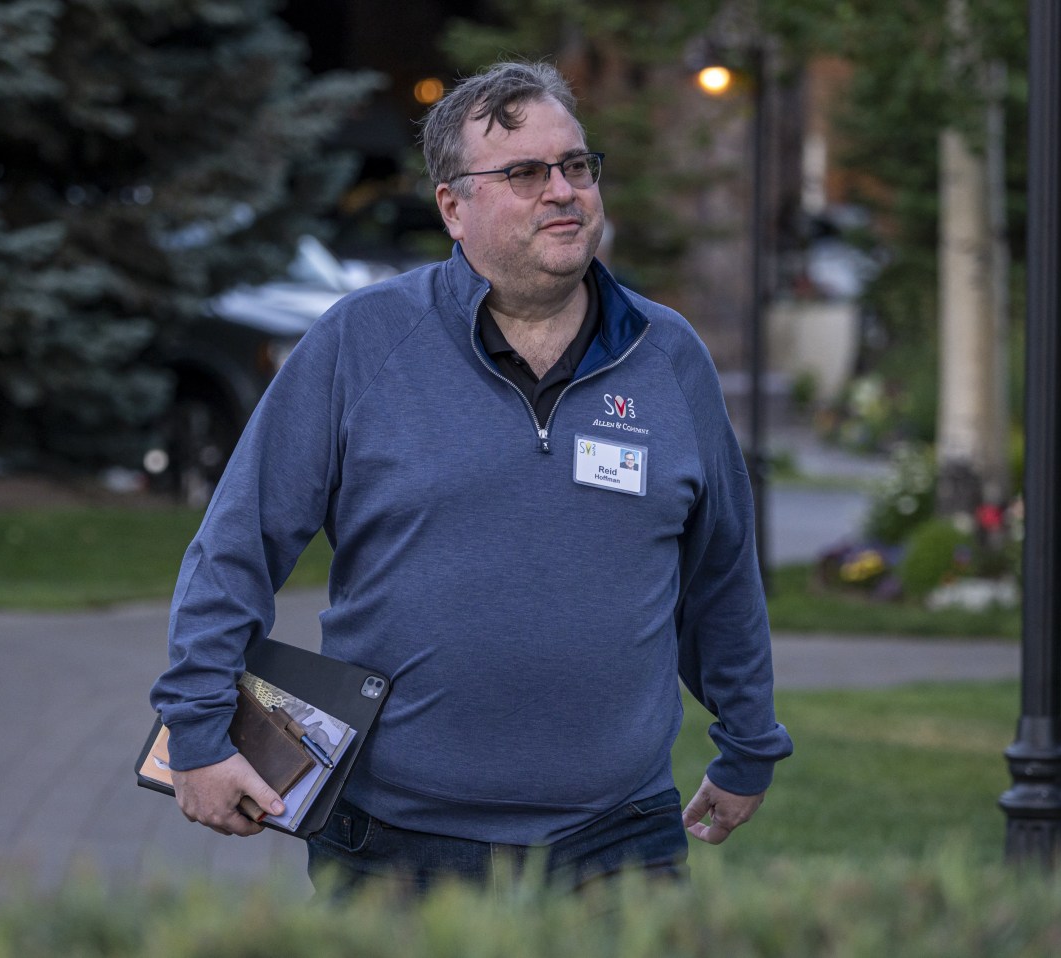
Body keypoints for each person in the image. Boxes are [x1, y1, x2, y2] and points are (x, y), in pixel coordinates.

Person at [149, 60, 792, 893]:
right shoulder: (361, 342)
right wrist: (197, 735)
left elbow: (721, 578)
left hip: (617, 840)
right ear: (453, 207)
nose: (562, 190)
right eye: (524, 172)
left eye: (577, 166)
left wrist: (748, 744)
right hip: (393, 843)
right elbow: (235, 546)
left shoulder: (668, 357)